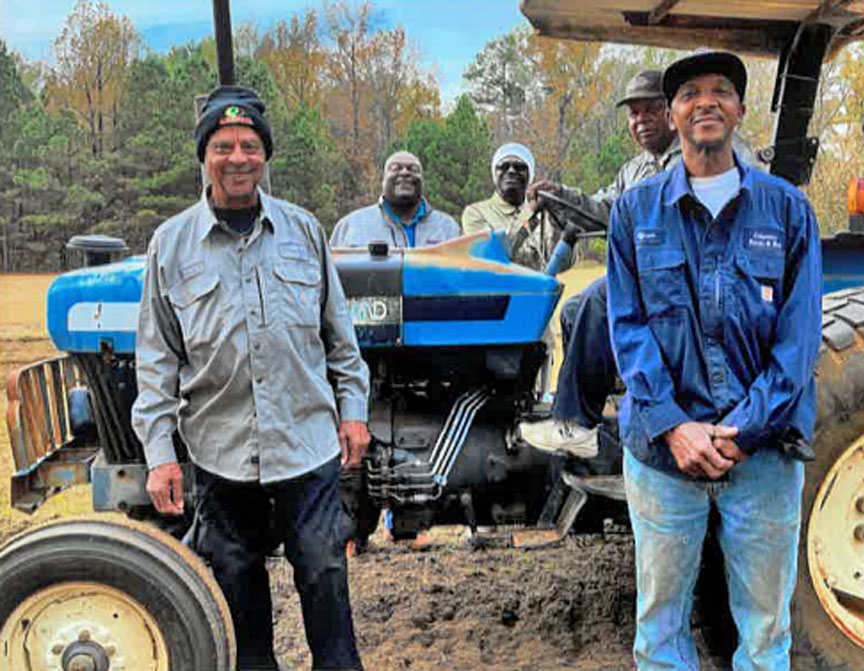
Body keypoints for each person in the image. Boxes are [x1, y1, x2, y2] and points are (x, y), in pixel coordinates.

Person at [132, 85, 371, 671]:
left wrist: (353, 409)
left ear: (265, 155)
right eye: (222, 146)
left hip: (305, 439)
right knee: (235, 580)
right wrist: (161, 453)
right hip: (221, 447)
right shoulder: (170, 244)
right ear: (204, 155)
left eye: (248, 145)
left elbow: (339, 335)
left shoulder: (304, 231)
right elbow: (157, 357)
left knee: (322, 568)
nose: (237, 157)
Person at [606, 50, 822, 671]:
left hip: (763, 459)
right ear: (671, 116)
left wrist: (743, 432)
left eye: (721, 91)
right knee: (660, 630)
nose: (706, 101)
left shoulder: (787, 211)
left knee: (763, 634)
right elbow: (629, 327)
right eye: (690, 93)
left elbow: (798, 339)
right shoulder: (635, 213)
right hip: (663, 459)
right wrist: (674, 426)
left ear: (740, 109)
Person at [519, 69, 675, 458]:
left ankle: (574, 423)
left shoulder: (685, 161)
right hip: (641, 279)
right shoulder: (635, 168)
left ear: (672, 112)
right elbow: (604, 208)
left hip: (668, 280)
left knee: (598, 301)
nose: (640, 121)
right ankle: (601, 412)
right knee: (573, 309)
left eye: (650, 111)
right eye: (634, 114)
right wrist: (561, 195)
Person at [462, 142, 566, 271]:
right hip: (497, 290)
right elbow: (492, 256)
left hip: (538, 290)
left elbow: (561, 264)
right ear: (494, 174)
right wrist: (529, 213)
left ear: (530, 175)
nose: (511, 171)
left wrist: (558, 221)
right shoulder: (475, 213)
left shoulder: (544, 215)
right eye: (504, 166)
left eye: (519, 167)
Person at [330, 151, 461, 248]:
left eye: (413, 169)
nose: (405, 173)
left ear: (423, 180)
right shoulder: (351, 226)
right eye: (395, 168)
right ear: (383, 180)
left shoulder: (448, 227)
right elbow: (330, 278)